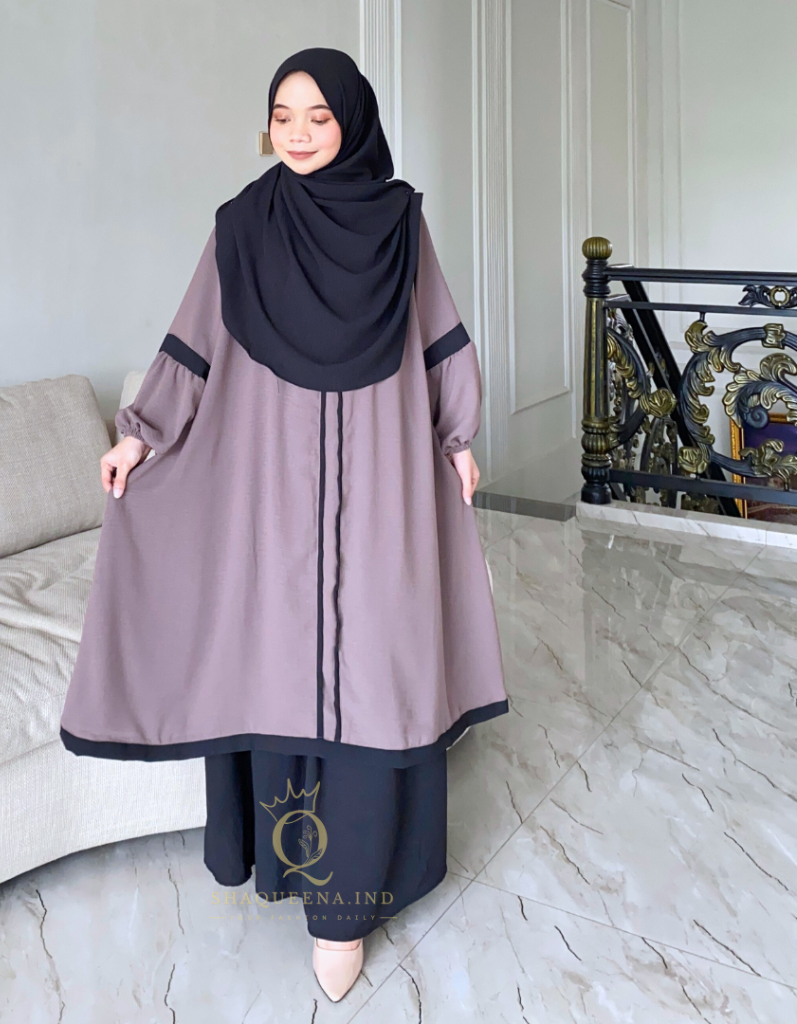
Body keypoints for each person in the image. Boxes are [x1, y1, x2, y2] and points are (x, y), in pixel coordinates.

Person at [59, 47, 508, 1003]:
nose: (298, 132)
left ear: (353, 121)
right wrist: (139, 435)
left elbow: (437, 334)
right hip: (269, 484)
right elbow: (193, 341)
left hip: (382, 481)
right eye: (283, 115)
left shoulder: (400, 221)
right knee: (276, 663)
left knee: (376, 673)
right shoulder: (242, 225)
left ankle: (346, 909)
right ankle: (293, 866)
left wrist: (458, 437)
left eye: (319, 115)